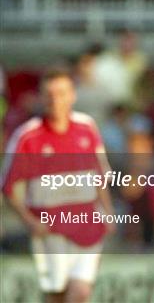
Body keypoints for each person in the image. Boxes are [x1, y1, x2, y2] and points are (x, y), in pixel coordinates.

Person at [1, 68, 114, 303]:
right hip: (50, 231)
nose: (56, 100)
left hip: (86, 224)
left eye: (61, 93)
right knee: (57, 296)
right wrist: (31, 222)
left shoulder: (87, 127)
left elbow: (99, 174)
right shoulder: (27, 136)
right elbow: (8, 186)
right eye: (50, 94)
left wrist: (108, 212)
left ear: (72, 95)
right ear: (42, 97)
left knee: (79, 292)